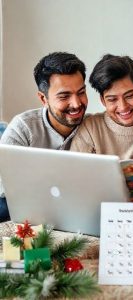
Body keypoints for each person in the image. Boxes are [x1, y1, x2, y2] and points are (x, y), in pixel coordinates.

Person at [0, 51, 88, 221]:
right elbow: (3, 183)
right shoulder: (23, 127)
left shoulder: (92, 126)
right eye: (64, 96)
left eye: (81, 92)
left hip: (74, 206)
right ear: (43, 98)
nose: (76, 104)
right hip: (27, 203)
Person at [70, 54, 133, 159]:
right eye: (112, 99)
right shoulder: (91, 128)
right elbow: (76, 171)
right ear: (103, 101)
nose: (123, 107)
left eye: (129, 96)